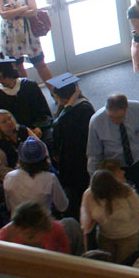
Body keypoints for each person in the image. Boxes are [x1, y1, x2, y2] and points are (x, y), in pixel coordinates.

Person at [86, 93, 139, 225]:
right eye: (111, 117)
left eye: (119, 117)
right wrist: (94, 180)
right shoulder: (96, 121)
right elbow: (94, 154)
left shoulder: (138, 109)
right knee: (122, 204)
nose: (115, 121)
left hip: (138, 160)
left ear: (126, 108)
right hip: (115, 168)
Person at [80, 169, 139, 265]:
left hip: (128, 237)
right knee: (107, 267)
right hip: (105, 237)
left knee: (124, 266)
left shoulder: (126, 192)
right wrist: (86, 249)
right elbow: (85, 226)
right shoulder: (89, 194)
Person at [49, 73, 95, 219]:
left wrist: (68, 106)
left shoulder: (82, 109)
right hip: (71, 154)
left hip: (78, 157)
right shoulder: (76, 106)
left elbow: (57, 127)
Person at [0, 0, 53, 82]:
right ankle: (28, 90)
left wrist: (13, 12)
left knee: (40, 63)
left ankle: (55, 91)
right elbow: (3, 15)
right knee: (18, 67)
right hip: (11, 36)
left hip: (29, 34)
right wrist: (23, 8)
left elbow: (33, 11)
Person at [0, 58, 51, 144]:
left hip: (38, 129)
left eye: (2, 78)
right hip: (12, 136)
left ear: (10, 74)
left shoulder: (30, 86)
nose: (0, 81)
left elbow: (43, 110)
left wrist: (38, 127)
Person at [3, 138, 68, 216]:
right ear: (44, 158)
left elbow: (9, 206)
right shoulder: (50, 178)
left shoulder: (9, 176)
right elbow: (62, 206)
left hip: (17, 221)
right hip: (43, 222)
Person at [0, 200, 71, 254]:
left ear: (40, 224)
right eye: (22, 227)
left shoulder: (55, 228)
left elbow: (65, 249)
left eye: (29, 228)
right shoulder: (6, 233)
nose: (25, 231)